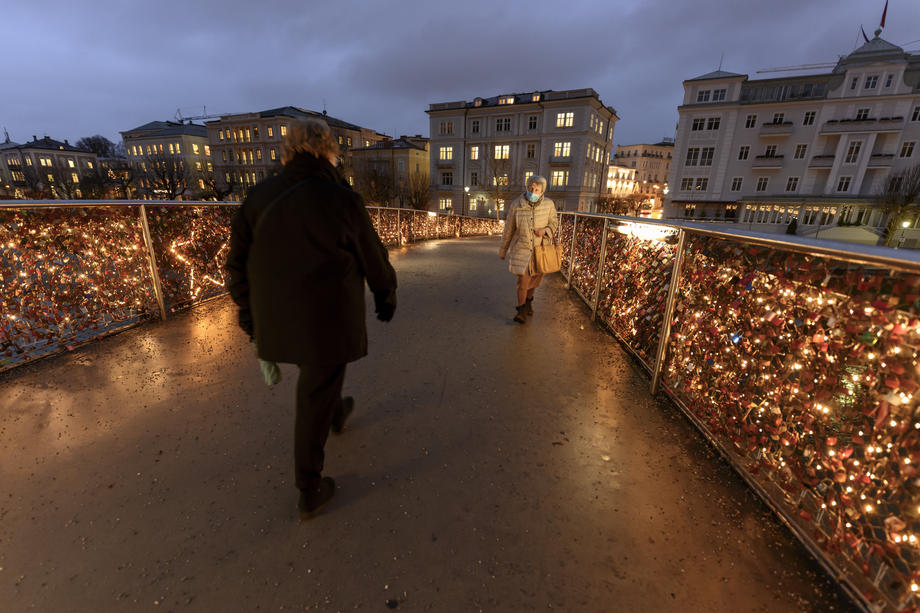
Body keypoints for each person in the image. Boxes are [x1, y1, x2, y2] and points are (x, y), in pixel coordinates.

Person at [226, 118, 397, 519]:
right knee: (316, 390)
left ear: (288, 150)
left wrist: (249, 314)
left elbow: (236, 265)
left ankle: (336, 413)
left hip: (276, 315)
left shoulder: (258, 197)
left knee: (320, 377)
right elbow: (371, 253)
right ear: (327, 150)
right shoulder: (340, 197)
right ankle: (309, 487)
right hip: (327, 316)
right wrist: (385, 292)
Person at [498, 175, 558, 323]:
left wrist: (545, 231)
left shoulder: (549, 204)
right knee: (522, 281)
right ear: (527, 187)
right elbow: (509, 229)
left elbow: (554, 223)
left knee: (534, 280)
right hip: (522, 249)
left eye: (537, 189)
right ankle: (521, 310)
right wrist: (503, 250)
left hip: (540, 250)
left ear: (542, 190)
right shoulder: (516, 204)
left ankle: (529, 302)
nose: (533, 191)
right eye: (531, 188)